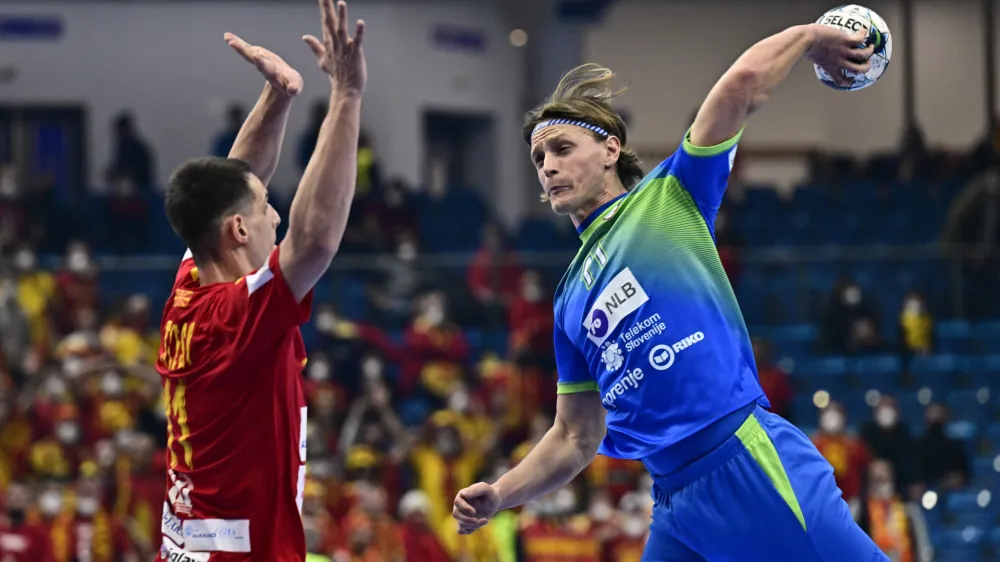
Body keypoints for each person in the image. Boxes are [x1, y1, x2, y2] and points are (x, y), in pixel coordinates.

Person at [453, 21, 890, 562]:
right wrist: (501, 494)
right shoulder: (567, 300)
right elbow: (573, 437)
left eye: (562, 148)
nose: (548, 167)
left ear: (611, 149)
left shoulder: (670, 195)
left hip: (746, 464)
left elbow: (741, 85)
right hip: (673, 503)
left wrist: (811, 37)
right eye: (540, 160)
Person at [154, 1, 366, 561]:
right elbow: (316, 240)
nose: (277, 216)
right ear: (240, 229)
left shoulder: (190, 284)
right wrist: (345, 97)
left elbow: (231, 186)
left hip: (189, 548)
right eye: (269, 207)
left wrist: (279, 96)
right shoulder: (234, 318)